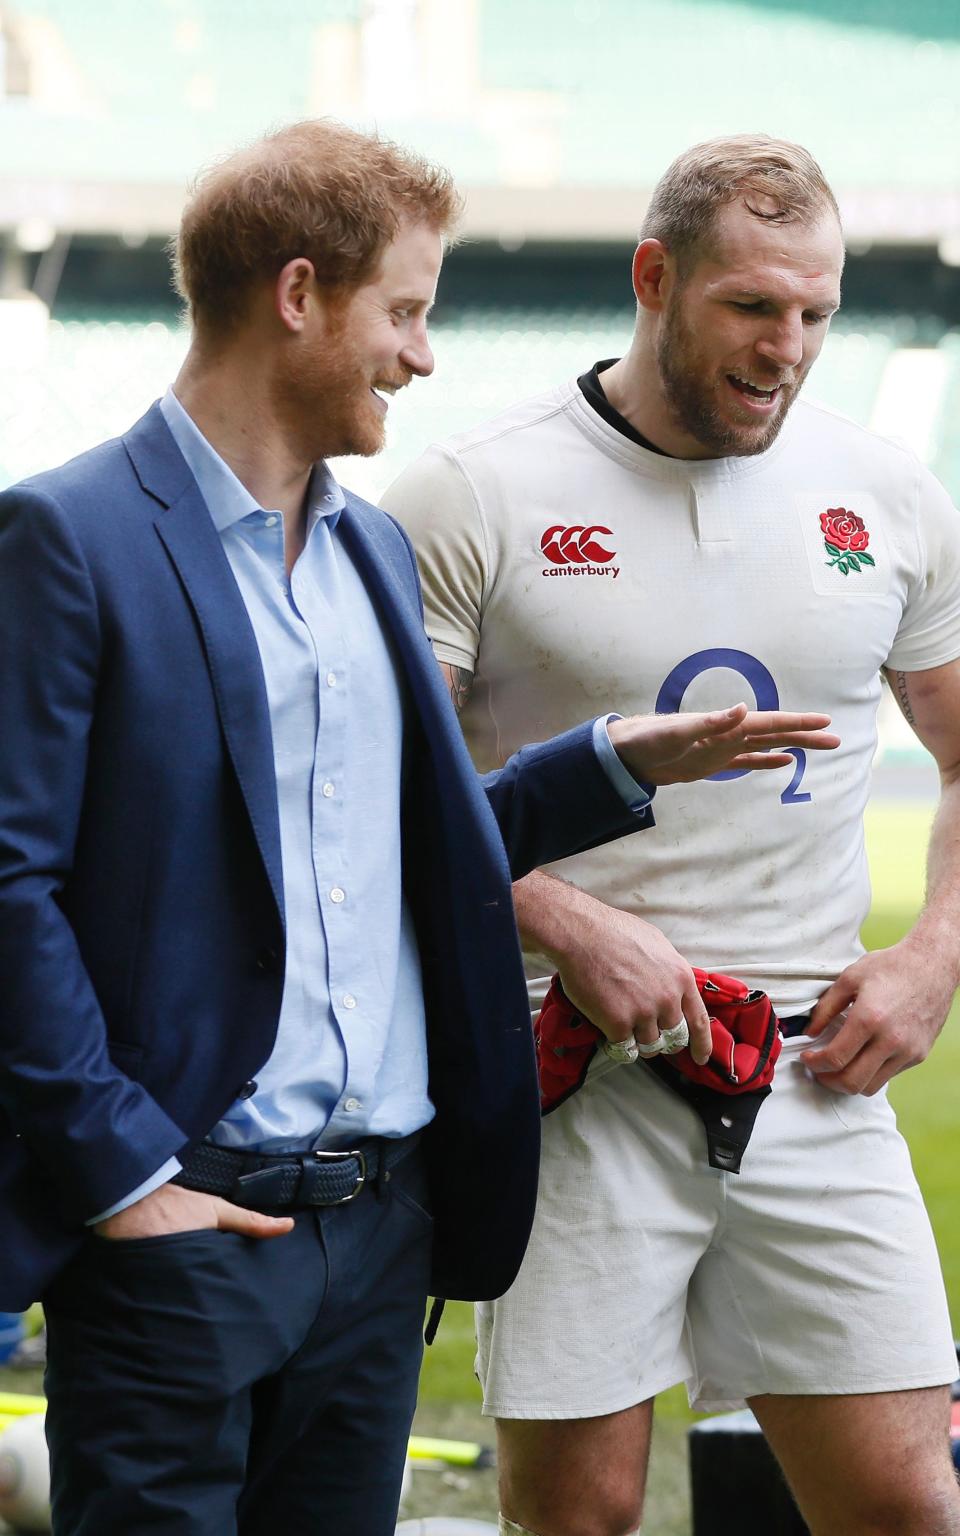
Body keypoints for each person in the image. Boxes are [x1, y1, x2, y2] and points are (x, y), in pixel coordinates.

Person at [0, 122, 837, 1536]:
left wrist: (605, 763)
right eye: (406, 312)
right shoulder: (66, 536)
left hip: (379, 1238)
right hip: (186, 1231)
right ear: (299, 295)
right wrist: (124, 1177)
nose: (423, 355)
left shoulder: (371, 548)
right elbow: (9, 886)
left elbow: (413, 849)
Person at [382, 134, 960, 1536]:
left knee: (904, 1507)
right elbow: (385, 785)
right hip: (571, 1079)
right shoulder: (471, 492)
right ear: (655, 277)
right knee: (579, 1519)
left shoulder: (888, 496)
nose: (789, 348)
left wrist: (935, 953)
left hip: (817, 1066)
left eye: (817, 312)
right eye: (752, 308)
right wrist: (567, 924)